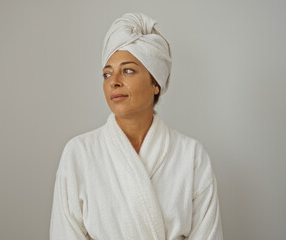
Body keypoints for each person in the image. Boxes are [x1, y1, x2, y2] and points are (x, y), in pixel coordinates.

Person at [50, 13, 223, 240]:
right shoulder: (79, 153)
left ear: (155, 84)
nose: (114, 81)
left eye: (128, 70)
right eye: (107, 73)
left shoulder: (191, 156)